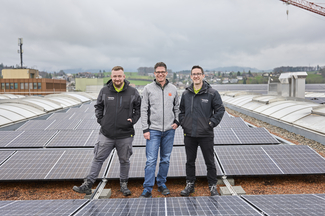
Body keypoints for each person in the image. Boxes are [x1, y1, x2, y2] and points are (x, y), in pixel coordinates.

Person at [73, 66, 141, 196]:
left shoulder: (133, 92)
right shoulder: (104, 91)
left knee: (124, 160)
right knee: (98, 158)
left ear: (124, 76)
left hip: (125, 134)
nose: (117, 78)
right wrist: (102, 121)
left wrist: (132, 120)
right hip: (106, 134)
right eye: (114, 76)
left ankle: (124, 185)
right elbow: (98, 106)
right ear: (111, 77)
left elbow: (138, 108)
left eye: (119, 76)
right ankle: (88, 184)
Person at [179, 65, 225, 196]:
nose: (196, 76)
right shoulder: (186, 94)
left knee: (209, 161)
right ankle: (190, 185)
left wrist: (211, 123)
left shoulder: (212, 93)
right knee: (190, 161)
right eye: (194, 74)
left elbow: (220, 110)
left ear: (203, 76)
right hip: (189, 133)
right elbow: (181, 111)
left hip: (206, 134)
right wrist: (184, 123)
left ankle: (212, 186)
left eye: (198, 73)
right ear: (191, 76)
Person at [139, 62, 180, 198]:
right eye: (158, 72)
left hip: (169, 130)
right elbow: (143, 109)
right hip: (153, 130)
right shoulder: (148, 89)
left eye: (162, 71)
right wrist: (145, 128)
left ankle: (161, 184)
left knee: (165, 159)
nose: (160, 74)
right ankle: (148, 188)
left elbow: (177, 108)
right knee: (151, 160)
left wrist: (177, 122)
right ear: (154, 73)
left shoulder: (173, 89)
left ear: (166, 73)